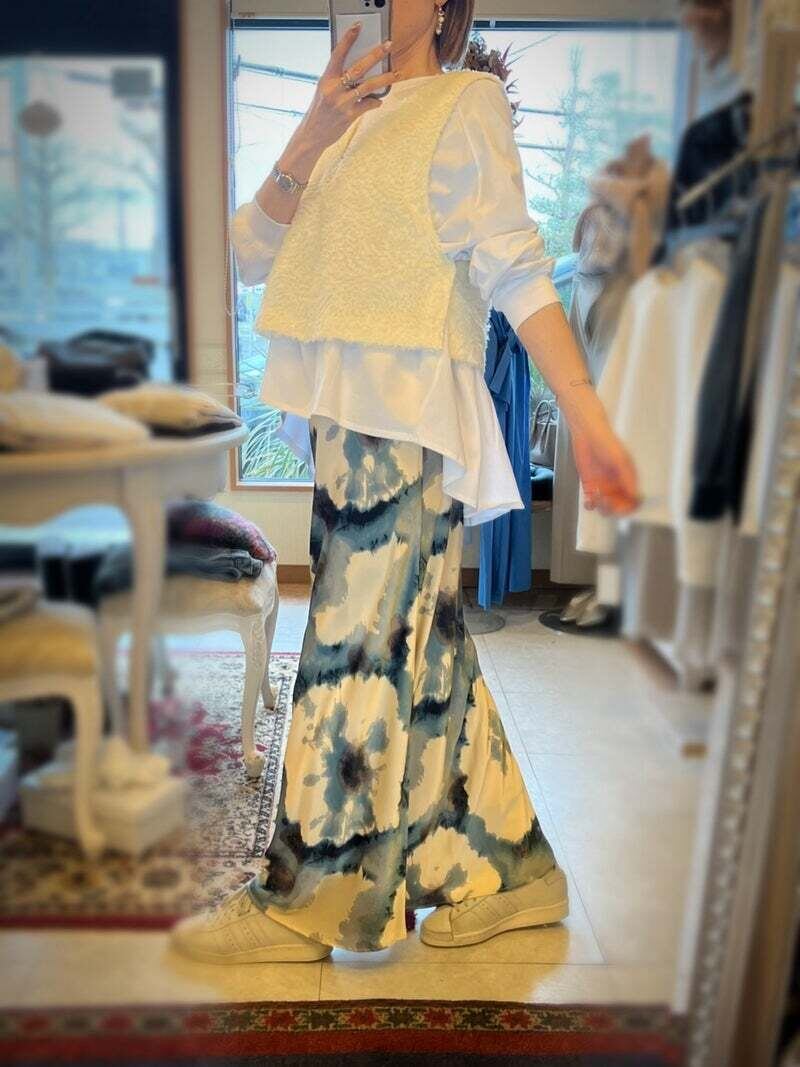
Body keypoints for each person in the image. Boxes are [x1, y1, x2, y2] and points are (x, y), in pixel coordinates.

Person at [171, 0, 638, 964]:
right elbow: (248, 253)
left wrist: (587, 411)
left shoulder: (464, 104)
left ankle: (306, 902)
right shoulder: (344, 125)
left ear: (447, 6)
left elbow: (518, 269)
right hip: (343, 430)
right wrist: (314, 127)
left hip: (404, 431)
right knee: (424, 657)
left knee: (350, 656)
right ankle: (509, 870)